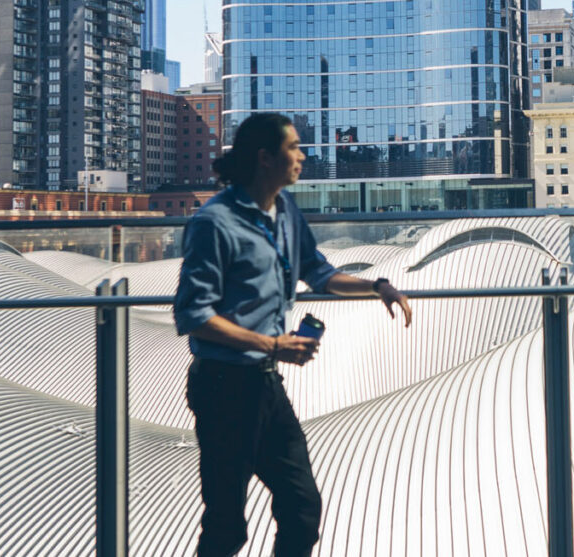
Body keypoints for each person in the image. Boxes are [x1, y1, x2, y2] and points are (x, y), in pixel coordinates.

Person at [173, 112, 412, 557]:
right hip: (223, 386)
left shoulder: (284, 213)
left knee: (302, 507)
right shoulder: (214, 222)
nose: (304, 156)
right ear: (265, 158)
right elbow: (192, 313)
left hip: (265, 385)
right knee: (226, 527)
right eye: (295, 148)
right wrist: (273, 344)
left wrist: (376, 286)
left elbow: (319, 273)